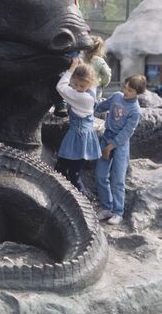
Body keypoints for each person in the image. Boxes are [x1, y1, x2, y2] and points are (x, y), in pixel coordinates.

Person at [95, 74, 146, 225]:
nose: (125, 91)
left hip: (120, 145)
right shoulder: (117, 96)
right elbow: (100, 106)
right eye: (125, 87)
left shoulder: (135, 111)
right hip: (106, 137)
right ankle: (107, 207)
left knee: (117, 179)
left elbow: (126, 133)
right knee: (100, 175)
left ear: (138, 92)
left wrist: (109, 148)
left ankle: (118, 212)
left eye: (130, 90)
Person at [55, 58, 101, 196]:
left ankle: (82, 197)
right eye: (75, 84)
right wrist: (80, 65)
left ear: (89, 83)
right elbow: (87, 78)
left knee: (71, 173)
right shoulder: (93, 90)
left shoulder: (81, 97)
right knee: (65, 169)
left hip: (77, 137)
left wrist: (72, 68)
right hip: (85, 137)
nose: (78, 88)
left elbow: (60, 86)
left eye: (82, 86)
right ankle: (74, 193)